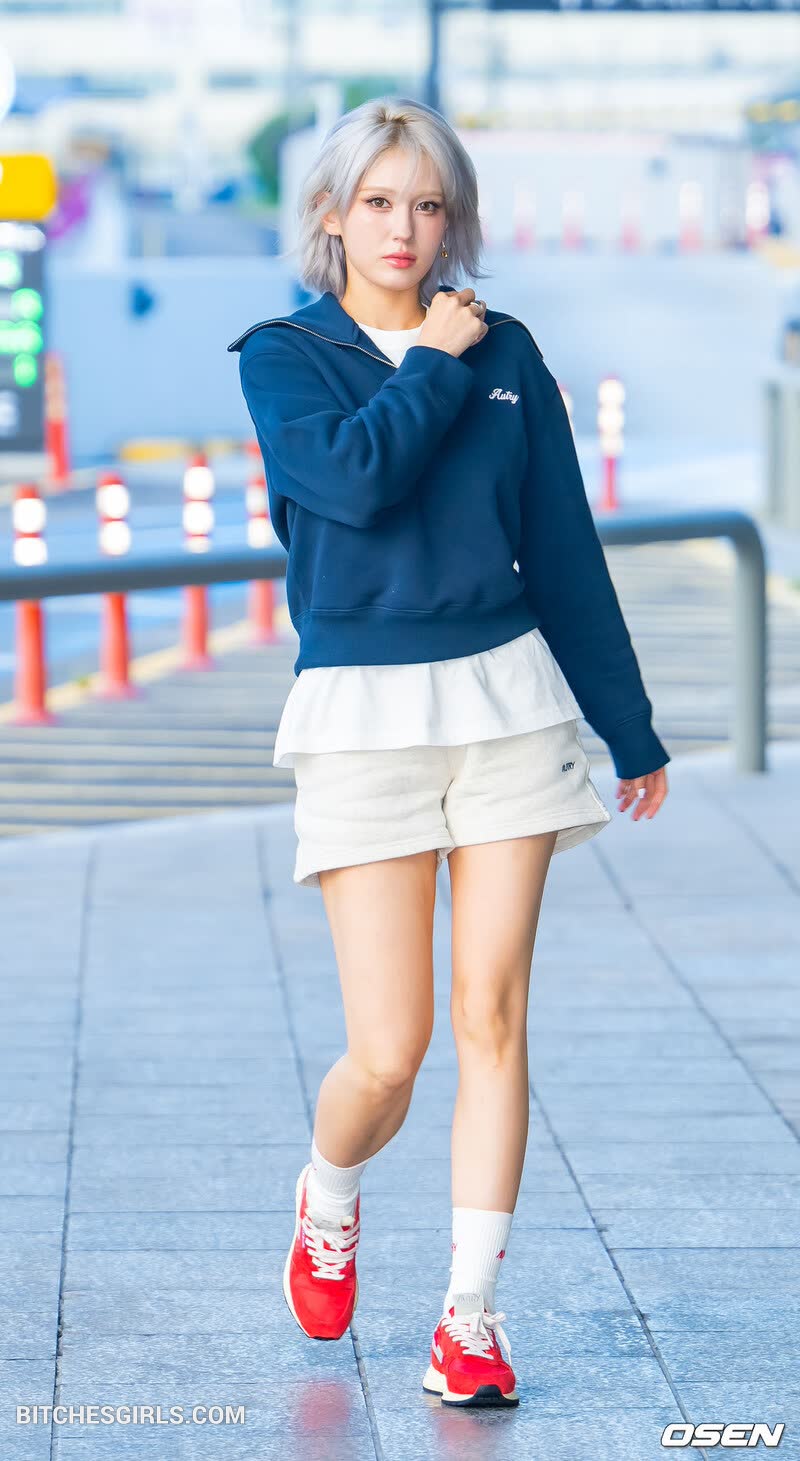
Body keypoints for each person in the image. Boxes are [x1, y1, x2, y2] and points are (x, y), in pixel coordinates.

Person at [228, 96, 670, 1410]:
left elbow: (563, 546)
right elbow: (356, 485)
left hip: (508, 708)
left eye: (428, 205)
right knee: (391, 1051)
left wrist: (628, 722)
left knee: (494, 1016)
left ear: (453, 218)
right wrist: (430, 360)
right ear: (331, 214)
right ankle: (331, 1189)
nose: (405, 229)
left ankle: (469, 1317)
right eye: (379, 202)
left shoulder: (509, 350)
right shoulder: (285, 359)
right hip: (362, 715)